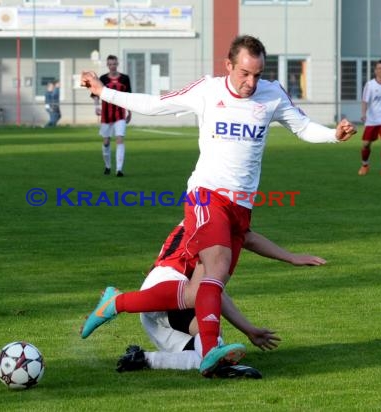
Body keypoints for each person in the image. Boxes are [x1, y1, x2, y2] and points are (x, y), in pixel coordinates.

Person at [80, 34, 356, 378]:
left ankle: (116, 303)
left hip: (241, 207)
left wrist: (334, 134)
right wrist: (102, 91)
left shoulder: (272, 95)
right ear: (229, 65)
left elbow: (302, 127)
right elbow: (154, 103)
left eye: (257, 74)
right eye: (244, 73)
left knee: (203, 288)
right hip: (206, 195)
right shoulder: (208, 90)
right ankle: (209, 351)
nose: (250, 82)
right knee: (218, 267)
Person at [115, 222, 326, 378]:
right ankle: (115, 302)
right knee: (210, 333)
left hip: (157, 300)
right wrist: (291, 257)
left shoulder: (204, 221)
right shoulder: (210, 227)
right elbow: (248, 238)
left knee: (203, 356)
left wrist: (249, 330)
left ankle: (144, 359)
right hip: (167, 292)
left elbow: (213, 292)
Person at [91, 55, 132, 177]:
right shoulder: (103, 78)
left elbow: (128, 97)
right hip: (106, 115)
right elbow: (95, 94)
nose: (112, 66)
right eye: (110, 64)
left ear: (117, 64)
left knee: (120, 139)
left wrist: (129, 112)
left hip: (120, 114)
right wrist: (96, 107)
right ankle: (108, 166)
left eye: (114, 64)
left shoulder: (125, 78)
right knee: (106, 142)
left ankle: (119, 169)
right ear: (107, 65)